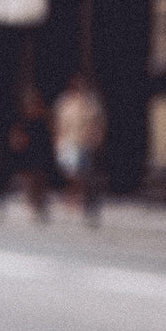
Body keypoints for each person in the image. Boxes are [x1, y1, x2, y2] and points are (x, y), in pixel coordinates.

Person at [53, 73, 106, 225]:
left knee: (82, 173)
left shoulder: (90, 102)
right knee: (70, 172)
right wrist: (57, 139)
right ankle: (71, 195)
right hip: (68, 141)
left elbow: (97, 121)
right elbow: (59, 122)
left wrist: (97, 136)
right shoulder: (65, 101)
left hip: (84, 141)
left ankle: (79, 199)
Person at [9, 87, 54, 222]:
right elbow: (15, 136)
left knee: (40, 177)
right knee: (29, 179)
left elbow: (50, 134)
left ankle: (40, 204)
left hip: (40, 151)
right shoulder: (22, 120)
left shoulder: (43, 119)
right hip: (28, 152)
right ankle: (31, 204)